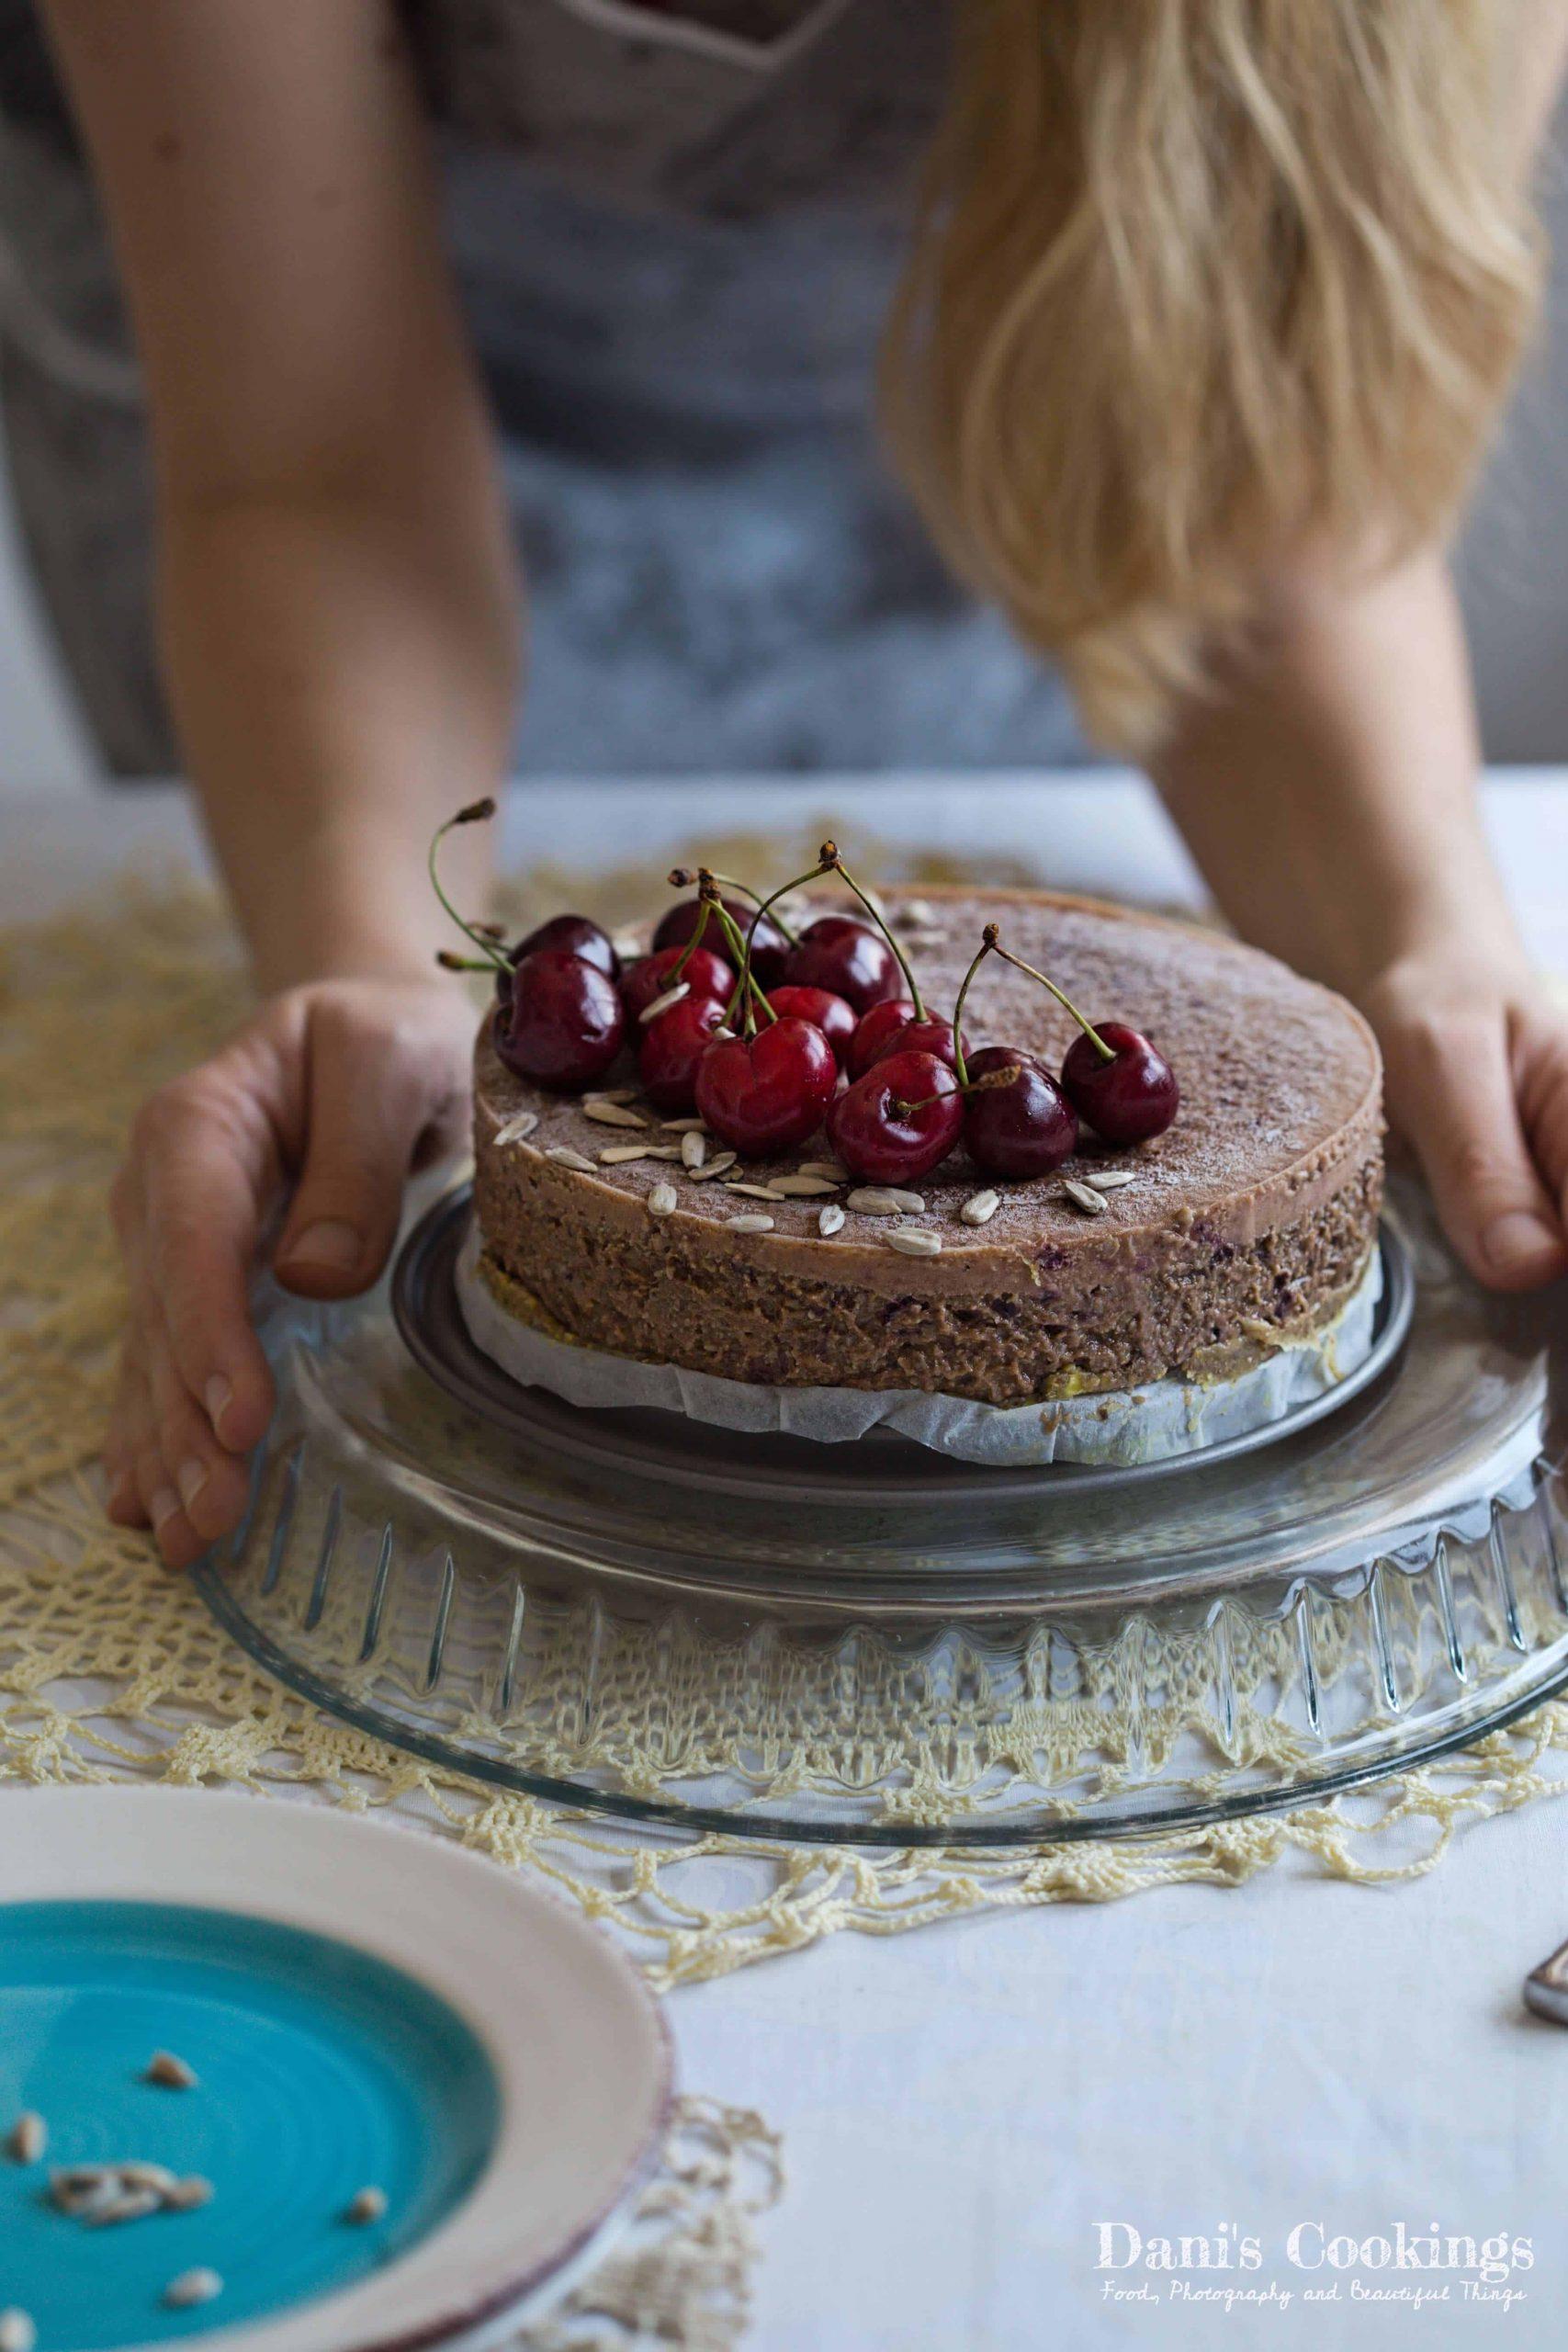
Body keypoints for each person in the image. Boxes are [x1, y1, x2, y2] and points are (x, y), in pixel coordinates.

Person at [11, 0, 1568, 1568]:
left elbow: (1266, 479)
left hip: (1012, 430)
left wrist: (1429, 949)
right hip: (327, 423)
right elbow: (319, 466)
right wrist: (367, 963)